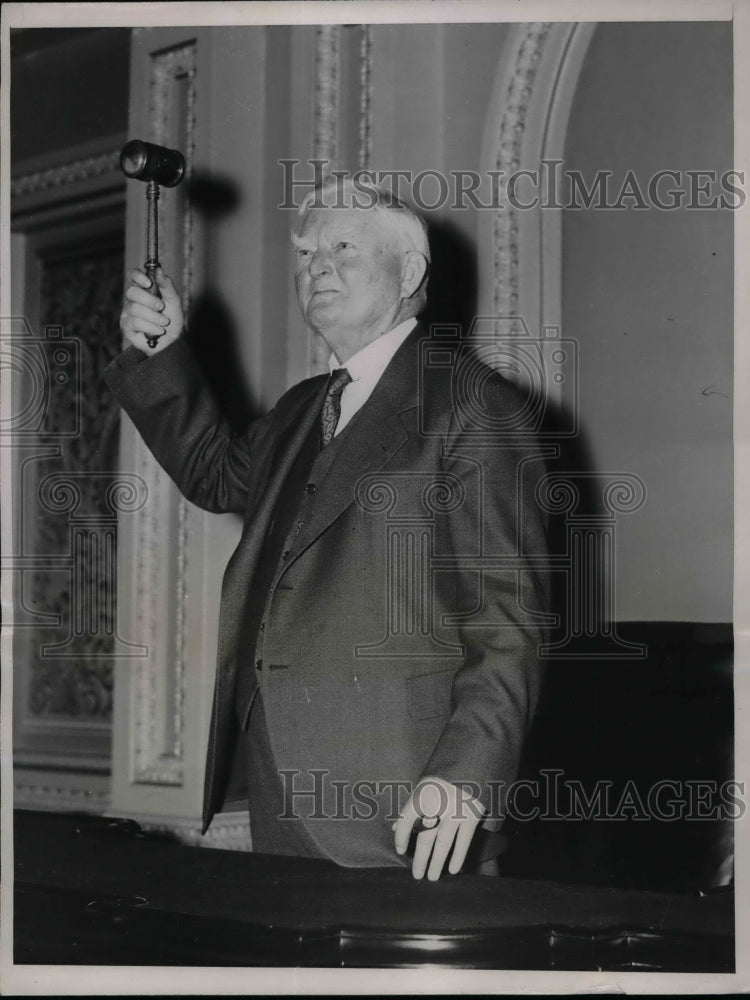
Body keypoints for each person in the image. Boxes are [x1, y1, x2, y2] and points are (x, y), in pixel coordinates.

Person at [106, 179, 550, 880]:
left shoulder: (472, 407)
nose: (315, 263)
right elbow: (215, 474)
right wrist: (163, 351)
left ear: (408, 272)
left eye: (342, 245)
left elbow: (509, 619)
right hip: (281, 789)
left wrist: (468, 774)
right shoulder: (300, 410)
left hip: (413, 814)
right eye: (308, 251)